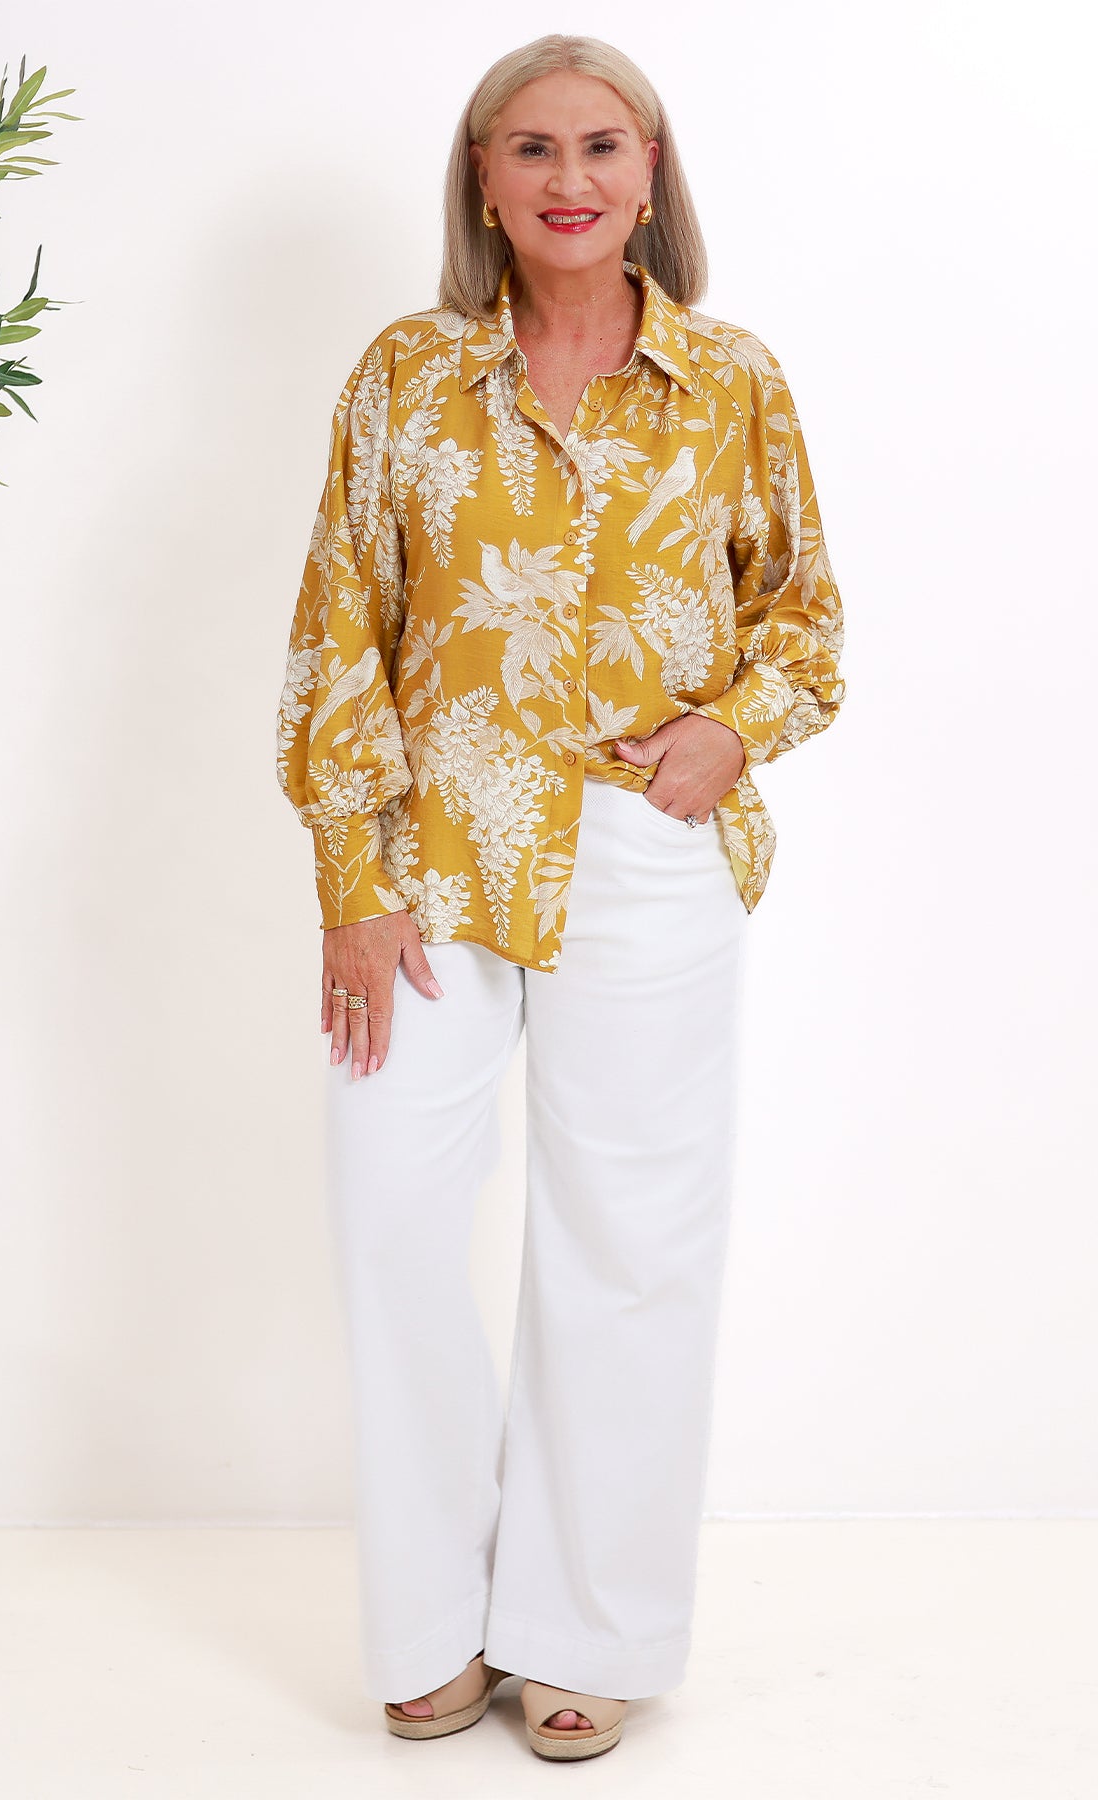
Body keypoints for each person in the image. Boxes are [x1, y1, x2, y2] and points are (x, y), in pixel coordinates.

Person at [275, 32, 845, 1763]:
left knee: (630, 1244)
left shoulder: (733, 381)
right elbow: (340, 624)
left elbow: (806, 622)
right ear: (485, 179)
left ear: (651, 174)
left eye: (603, 145)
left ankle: (586, 1627)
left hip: (645, 852)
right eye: (531, 148)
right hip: (431, 860)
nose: (569, 178)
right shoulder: (405, 374)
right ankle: (436, 1623)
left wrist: (728, 737)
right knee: (391, 1218)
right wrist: (349, 879)